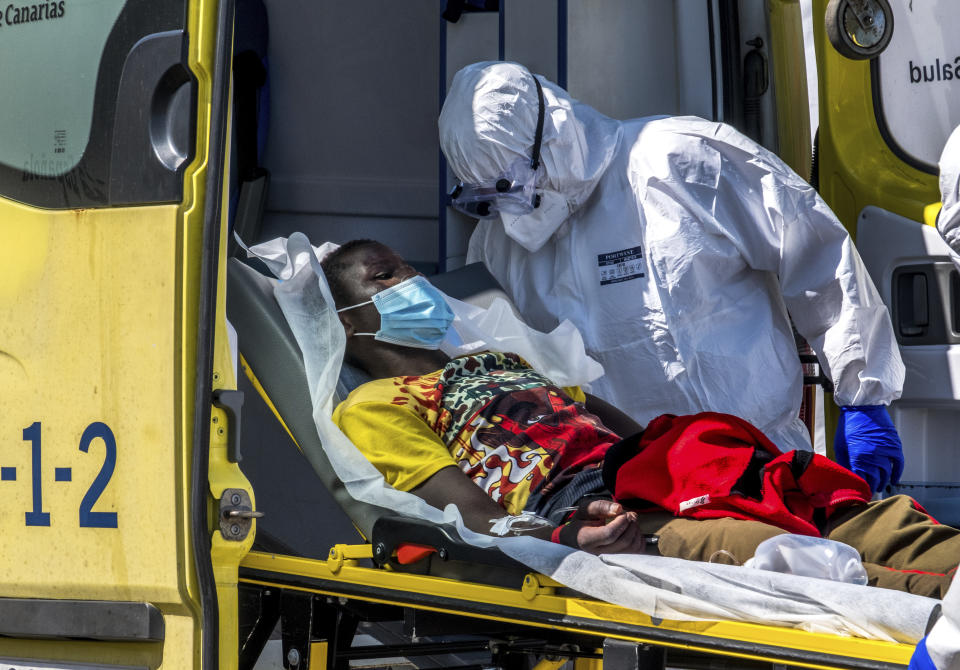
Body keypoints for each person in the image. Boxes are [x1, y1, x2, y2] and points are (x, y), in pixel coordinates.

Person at [324, 239, 959, 598]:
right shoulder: (375, 406)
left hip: (665, 476)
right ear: (347, 324)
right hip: (604, 513)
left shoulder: (498, 360)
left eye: (408, 266)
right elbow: (472, 512)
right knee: (786, 559)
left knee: (878, 520)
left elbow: (616, 426)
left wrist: (701, 464)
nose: (411, 278)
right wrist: (568, 538)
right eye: (385, 277)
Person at [438, 61, 905, 496]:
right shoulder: (497, 241)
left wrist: (862, 396)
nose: (515, 211)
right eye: (491, 197)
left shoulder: (680, 158)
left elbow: (818, 256)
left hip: (760, 463)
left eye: (515, 186)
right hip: (621, 486)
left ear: (555, 137)